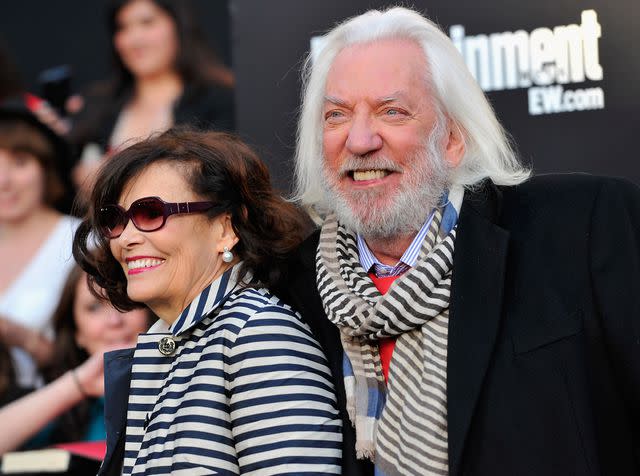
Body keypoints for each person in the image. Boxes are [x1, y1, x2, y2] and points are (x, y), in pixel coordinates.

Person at [276, 6, 640, 476]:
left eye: (392, 111)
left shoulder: (586, 226)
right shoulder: (293, 292)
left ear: (452, 138)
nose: (360, 139)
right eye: (336, 115)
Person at [73, 127, 342, 475]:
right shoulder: (180, 340)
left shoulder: (258, 334)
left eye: (151, 214)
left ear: (225, 229)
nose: (126, 238)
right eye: (115, 220)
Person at [68, 0, 235, 204]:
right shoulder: (97, 104)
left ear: (178, 25)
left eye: (147, 22)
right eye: (123, 27)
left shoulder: (217, 100)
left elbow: (223, 180)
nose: (134, 39)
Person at [0, 265, 151, 454]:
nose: (114, 321)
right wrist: (78, 384)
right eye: (94, 307)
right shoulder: (67, 412)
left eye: (125, 300)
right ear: (78, 334)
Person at [0, 95, 80, 390]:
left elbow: (99, 355)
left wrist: (16, 335)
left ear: (46, 169)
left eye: (19, 163)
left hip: (58, 413)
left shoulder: (82, 243)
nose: (3, 181)